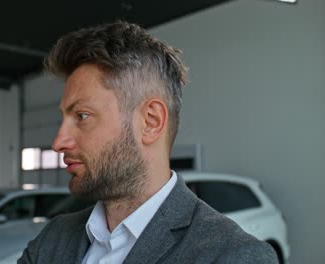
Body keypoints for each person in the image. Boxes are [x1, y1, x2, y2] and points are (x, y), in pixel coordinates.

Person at [18, 21, 277, 264]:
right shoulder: (52, 239)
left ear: (150, 122)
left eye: (82, 116)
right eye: (64, 118)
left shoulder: (233, 256)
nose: (58, 142)